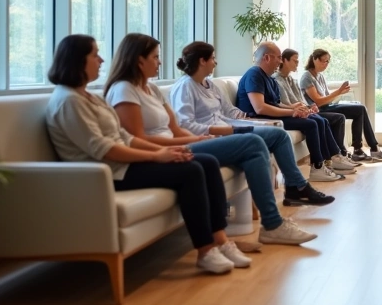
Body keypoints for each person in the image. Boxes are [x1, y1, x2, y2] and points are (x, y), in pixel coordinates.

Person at [44, 35, 244, 274]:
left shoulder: (88, 97)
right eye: (94, 54)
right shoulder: (68, 102)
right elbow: (104, 149)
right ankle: (205, 250)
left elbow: (125, 137)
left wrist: (165, 150)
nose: (101, 59)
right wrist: (157, 156)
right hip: (107, 173)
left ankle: (221, 241)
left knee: (207, 162)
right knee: (191, 170)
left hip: (123, 164)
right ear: (77, 60)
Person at [104, 33, 317, 246]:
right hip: (172, 148)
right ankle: (272, 223)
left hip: (188, 140)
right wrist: (199, 138)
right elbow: (139, 137)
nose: (160, 61)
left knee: (261, 141)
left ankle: (266, 222)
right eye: (155, 57)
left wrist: (205, 136)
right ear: (138, 59)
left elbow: (178, 129)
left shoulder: (152, 89)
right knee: (254, 143)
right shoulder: (129, 90)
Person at [168, 41, 336, 207]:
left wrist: (251, 120)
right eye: (212, 58)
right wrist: (227, 129)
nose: (215, 62)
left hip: (228, 129)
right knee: (277, 135)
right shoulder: (185, 87)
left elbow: (230, 111)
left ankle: (295, 187)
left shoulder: (210, 85)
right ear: (202, 61)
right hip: (213, 136)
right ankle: (298, 187)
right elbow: (185, 124)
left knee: (279, 134)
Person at [236, 42, 350, 182]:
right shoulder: (254, 74)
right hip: (259, 119)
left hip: (270, 115)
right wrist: (292, 113)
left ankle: (326, 163)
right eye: (278, 57)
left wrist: (299, 109)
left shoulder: (269, 78)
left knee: (317, 119)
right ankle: (318, 167)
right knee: (311, 124)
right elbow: (260, 108)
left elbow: (278, 104)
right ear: (266, 58)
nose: (280, 61)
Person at [299, 48, 382, 162]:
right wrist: (338, 91)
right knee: (358, 109)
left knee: (360, 108)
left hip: (327, 106)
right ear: (314, 59)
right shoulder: (306, 77)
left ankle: (366, 149)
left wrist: (340, 94)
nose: (326, 64)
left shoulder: (320, 76)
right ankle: (361, 150)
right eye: (324, 61)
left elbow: (328, 98)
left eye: (328, 61)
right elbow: (318, 101)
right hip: (319, 110)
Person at [274, 48, 357, 175]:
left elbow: (301, 100)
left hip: (301, 110)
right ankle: (324, 162)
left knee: (322, 120)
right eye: (295, 61)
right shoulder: (277, 80)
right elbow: (287, 104)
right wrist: (304, 107)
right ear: (284, 61)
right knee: (318, 121)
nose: (297, 64)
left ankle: (332, 158)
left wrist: (309, 107)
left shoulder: (292, 79)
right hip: (291, 113)